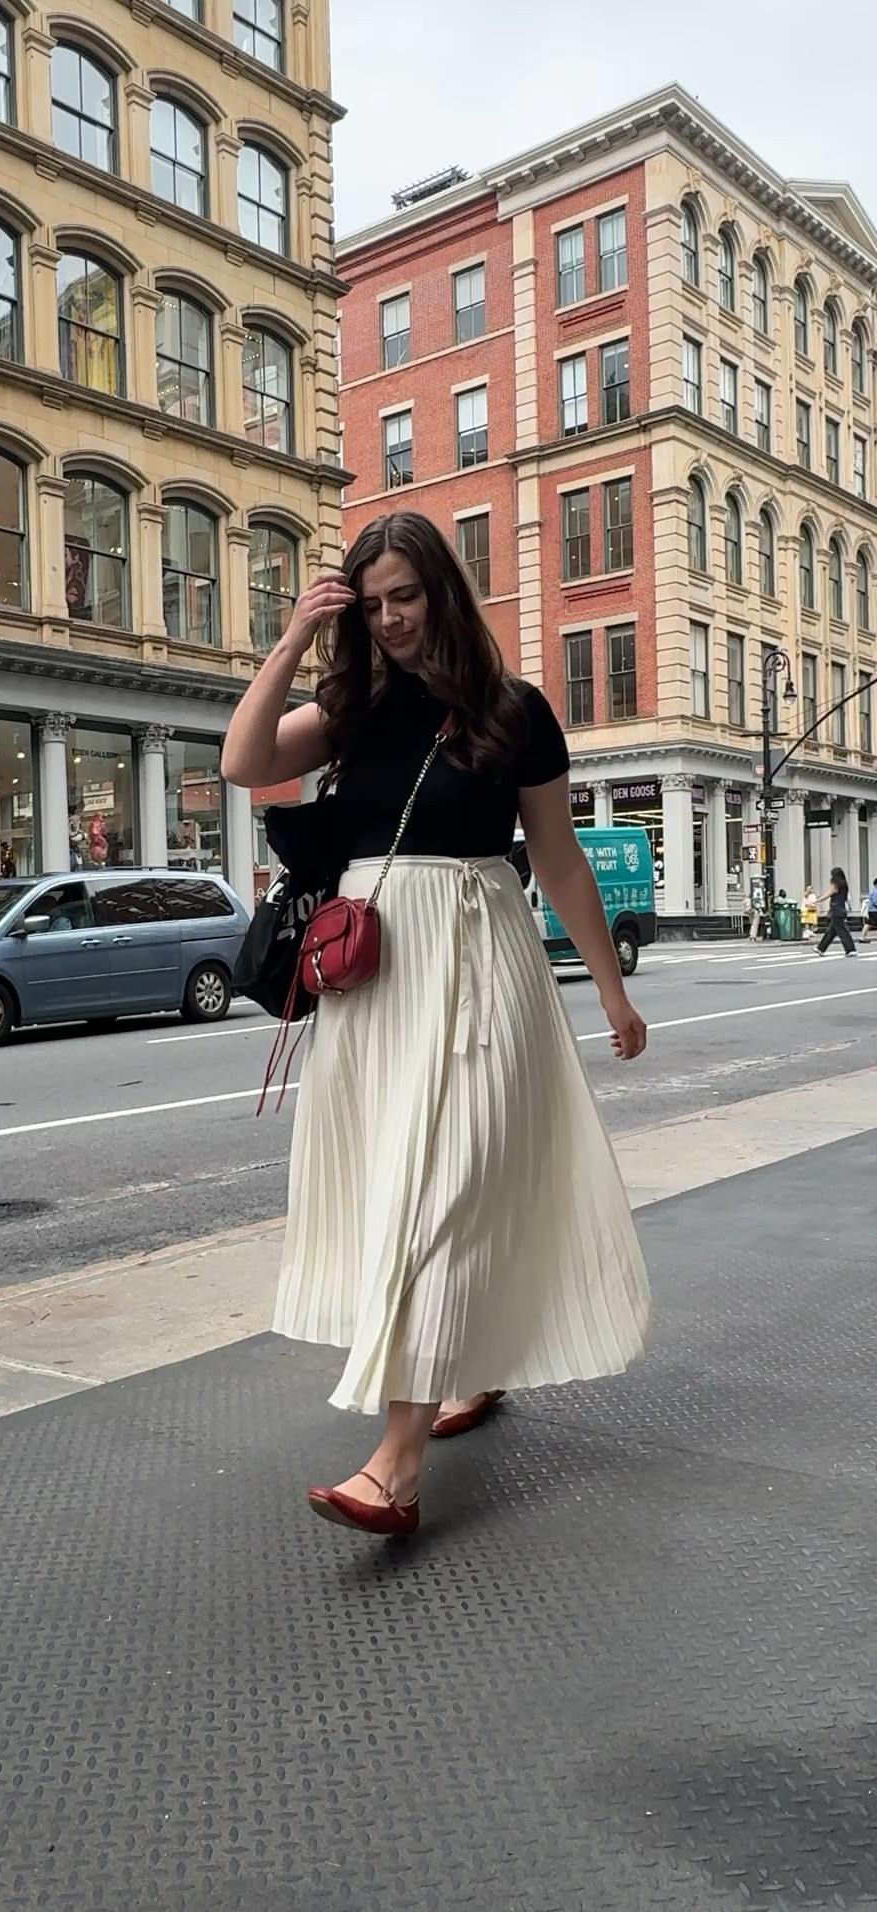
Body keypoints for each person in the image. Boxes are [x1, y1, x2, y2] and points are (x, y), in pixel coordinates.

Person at [221, 510, 651, 1537]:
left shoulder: (514, 712)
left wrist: (611, 989)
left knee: (441, 1188)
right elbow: (244, 760)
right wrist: (295, 637)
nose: (390, 620)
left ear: (443, 593)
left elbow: (558, 859)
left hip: (480, 964)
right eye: (372, 606)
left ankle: (396, 1466)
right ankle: (471, 1363)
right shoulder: (353, 706)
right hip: (375, 979)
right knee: (397, 1187)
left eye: (405, 597)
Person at [815, 866, 856, 956]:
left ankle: (851, 949)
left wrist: (816, 901)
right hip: (841, 908)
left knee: (842, 931)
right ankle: (821, 948)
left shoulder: (836, 885)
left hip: (835, 909)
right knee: (831, 931)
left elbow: (828, 894)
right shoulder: (844, 885)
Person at [861, 878, 877, 943]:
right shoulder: (875, 892)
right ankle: (863, 937)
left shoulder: (872, 891)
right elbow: (875, 902)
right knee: (868, 924)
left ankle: (863, 937)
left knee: (868, 924)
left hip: (871, 910)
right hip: (875, 910)